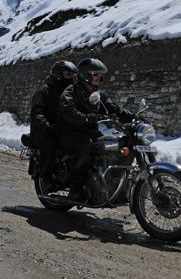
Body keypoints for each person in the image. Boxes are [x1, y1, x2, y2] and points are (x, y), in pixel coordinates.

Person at [58, 58, 135, 202]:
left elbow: (115, 109)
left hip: (90, 130)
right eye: (95, 73)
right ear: (85, 75)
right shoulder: (71, 91)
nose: (99, 77)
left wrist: (134, 118)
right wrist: (86, 118)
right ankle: (76, 189)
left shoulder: (98, 94)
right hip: (70, 131)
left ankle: (116, 184)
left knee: (119, 142)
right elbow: (68, 110)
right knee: (86, 146)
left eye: (100, 74)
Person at [28, 60, 78, 178]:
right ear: (58, 74)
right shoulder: (44, 91)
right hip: (43, 129)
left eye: (72, 75)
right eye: (68, 74)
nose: (71, 78)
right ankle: (44, 175)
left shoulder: (70, 93)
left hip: (62, 128)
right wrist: (45, 124)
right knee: (50, 143)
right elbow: (36, 111)